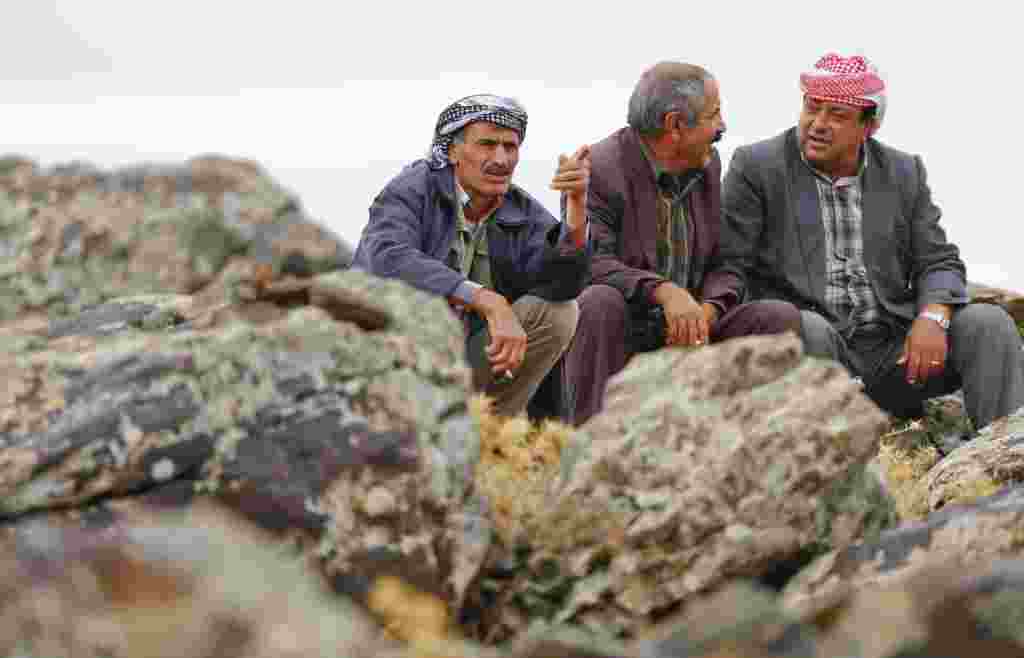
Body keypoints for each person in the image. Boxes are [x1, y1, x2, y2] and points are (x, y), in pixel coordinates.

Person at [719, 53, 1024, 428]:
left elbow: (938, 261)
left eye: (837, 115)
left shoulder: (903, 172)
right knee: (808, 327)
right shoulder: (756, 167)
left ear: (869, 127)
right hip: (811, 353)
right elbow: (730, 264)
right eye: (812, 108)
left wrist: (933, 317)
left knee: (987, 324)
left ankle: (1008, 465)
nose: (818, 124)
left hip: (894, 353)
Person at [565, 62, 801, 426]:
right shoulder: (599, 168)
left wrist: (705, 313)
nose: (722, 126)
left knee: (776, 318)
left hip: (689, 334)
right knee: (598, 302)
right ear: (675, 124)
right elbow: (591, 264)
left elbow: (727, 262)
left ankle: (747, 456)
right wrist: (663, 292)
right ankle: (592, 449)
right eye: (715, 113)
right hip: (629, 330)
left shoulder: (707, 162)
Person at [353, 94, 591, 416]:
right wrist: (486, 300)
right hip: (393, 355)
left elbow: (563, 284)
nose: (501, 158)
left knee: (558, 312)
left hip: (467, 359)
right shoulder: (414, 187)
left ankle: (490, 431)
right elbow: (387, 257)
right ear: (452, 150)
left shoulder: (520, 209)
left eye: (510, 147)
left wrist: (576, 211)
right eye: (487, 144)